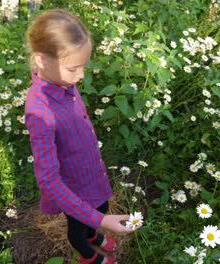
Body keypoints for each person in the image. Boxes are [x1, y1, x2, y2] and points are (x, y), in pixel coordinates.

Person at [24, 9, 136, 264]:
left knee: (102, 207)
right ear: (42, 61)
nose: (81, 75)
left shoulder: (65, 83)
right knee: (78, 229)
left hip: (91, 175)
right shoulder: (39, 111)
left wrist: (101, 217)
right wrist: (101, 221)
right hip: (73, 189)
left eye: (83, 66)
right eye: (74, 68)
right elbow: (49, 180)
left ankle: (93, 237)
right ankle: (88, 255)